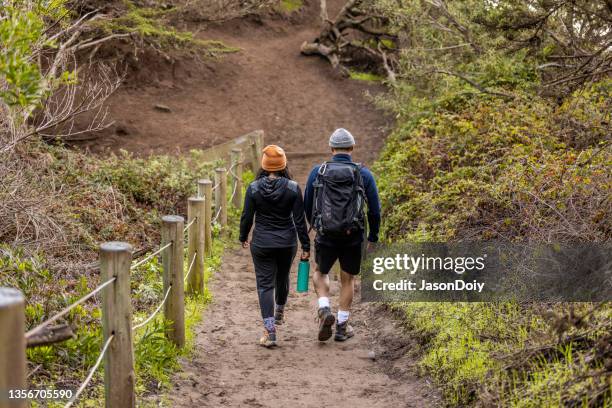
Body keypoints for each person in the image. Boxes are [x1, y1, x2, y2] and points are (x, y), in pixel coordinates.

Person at [304, 128, 381, 342]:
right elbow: (374, 210)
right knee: (348, 279)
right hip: (353, 235)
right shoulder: (363, 173)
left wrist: (318, 226)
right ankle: (341, 327)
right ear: (352, 148)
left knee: (320, 272)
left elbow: (308, 204)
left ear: (331, 148)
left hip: (326, 234)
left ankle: (324, 308)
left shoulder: (317, 172)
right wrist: (373, 236)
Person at [240, 144, 310, 348]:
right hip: (287, 242)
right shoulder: (293, 188)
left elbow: (247, 217)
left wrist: (243, 236)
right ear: (283, 165)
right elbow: (299, 220)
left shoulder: (253, 188)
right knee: (282, 277)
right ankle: (280, 310)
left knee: (264, 285)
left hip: (262, 242)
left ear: (263, 165)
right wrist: (306, 245)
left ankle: (270, 331)